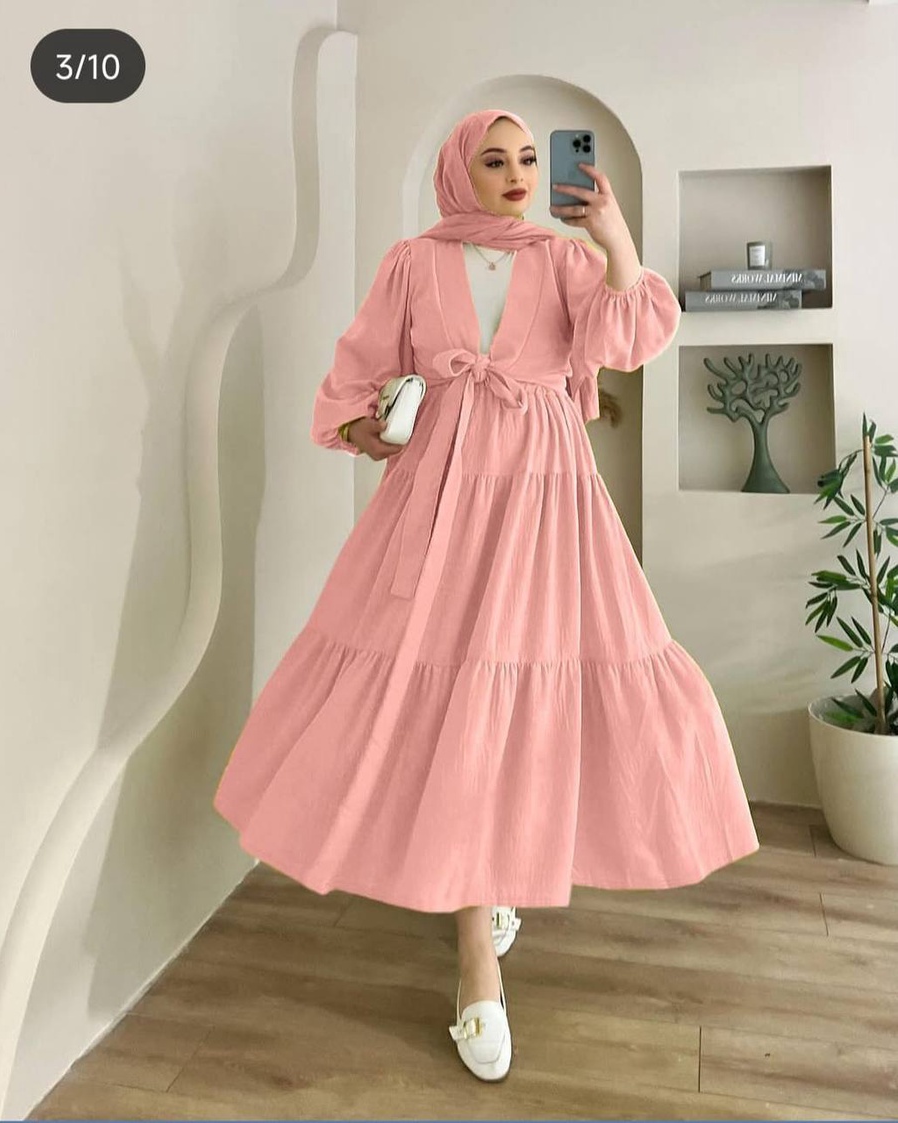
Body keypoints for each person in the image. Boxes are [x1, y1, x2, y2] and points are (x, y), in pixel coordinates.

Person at [212, 108, 759, 1083]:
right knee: (454, 694)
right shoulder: (413, 263)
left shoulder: (565, 259)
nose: (514, 174)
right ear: (459, 171)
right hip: (437, 498)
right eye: (494, 159)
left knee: (520, 688)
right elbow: (358, 376)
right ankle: (478, 964)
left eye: (527, 159)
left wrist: (615, 236)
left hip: (546, 496)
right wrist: (368, 431)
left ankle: (490, 883)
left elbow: (629, 340)